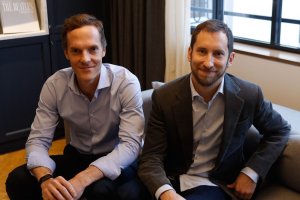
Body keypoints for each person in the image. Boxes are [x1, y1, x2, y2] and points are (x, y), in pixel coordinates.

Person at [138, 19, 291, 200]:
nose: (208, 62)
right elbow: (151, 157)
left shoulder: (250, 95)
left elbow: (280, 130)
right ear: (189, 53)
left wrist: (251, 172)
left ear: (230, 59)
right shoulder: (165, 96)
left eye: (218, 54)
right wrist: (166, 193)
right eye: (202, 51)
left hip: (214, 184)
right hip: (171, 178)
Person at [6, 13, 146, 200]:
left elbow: (130, 145)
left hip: (119, 158)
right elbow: (38, 140)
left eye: (93, 49)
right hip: (78, 156)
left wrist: (81, 179)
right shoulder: (54, 85)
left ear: (104, 49)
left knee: (102, 191)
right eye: (76, 51)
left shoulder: (125, 82)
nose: (85, 58)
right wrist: (46, 179)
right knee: (18, 180)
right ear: (66, 53)